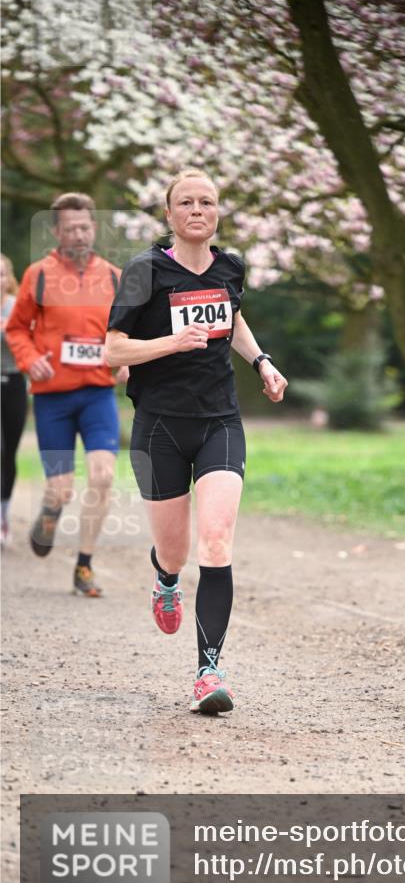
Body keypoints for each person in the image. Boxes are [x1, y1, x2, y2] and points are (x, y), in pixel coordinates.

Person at [105, 168, 288, 715]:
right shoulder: (144, 271)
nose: (196, 210)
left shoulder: (230, 266)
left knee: (215, 542)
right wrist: (169, 342)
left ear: (217, 212)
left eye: (206, 201)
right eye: (185, 202)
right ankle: (164, 578)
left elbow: (231, 319)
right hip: (159, 424)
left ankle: (208, 672)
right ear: (169, 215)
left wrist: (261, 361)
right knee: (176, 551)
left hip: (219, 422)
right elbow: (113, 351)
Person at [5, 192, 129, 595]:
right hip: (53, 399)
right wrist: (28, 359)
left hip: (96, 396)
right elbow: (17, 328)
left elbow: (126, 331)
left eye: (85, 226)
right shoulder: (38, 275)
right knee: (61, 489)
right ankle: (50, 512)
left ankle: (84, 566)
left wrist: (125, 359)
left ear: (93, 228)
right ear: (57, 231)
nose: (78, 233)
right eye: (70, 228)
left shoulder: (113, 276)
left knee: (103, 475)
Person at [1, 254, 28, 547]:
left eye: (1, 274)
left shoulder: (18, 308)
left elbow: (31, 341)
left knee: (9, 453)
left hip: (15, 383)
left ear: (9, 278)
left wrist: (10, 329)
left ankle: (4, 514)